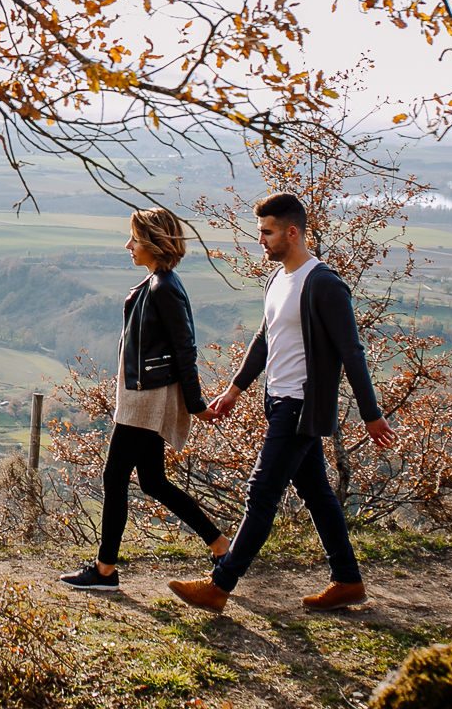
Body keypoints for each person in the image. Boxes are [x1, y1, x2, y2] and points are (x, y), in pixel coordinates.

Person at [168, 192, 399, 613]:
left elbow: (352, 352)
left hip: (300, 407)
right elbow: (264, 339)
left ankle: (219, 586)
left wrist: (372, 415)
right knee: (317, 493)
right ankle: (347, 580)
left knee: (261, 492)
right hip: (277, 402)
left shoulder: (324, 285)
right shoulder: (277, 280)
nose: (261, 240)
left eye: (267, 232)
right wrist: (236, 389)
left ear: (292, 233)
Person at [60, 206, 227, 592]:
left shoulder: (165, 288)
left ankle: (104, 571)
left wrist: (197, 403)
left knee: (114, 477)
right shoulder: (159, 283)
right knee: (152, 481)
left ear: (153, 242)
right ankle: (220, 546)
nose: (128, 245)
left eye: (134, 238)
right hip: (142, 391)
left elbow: (186, 348)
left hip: (147, 397)